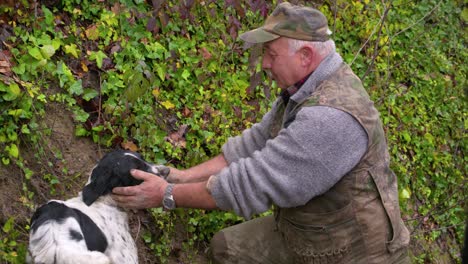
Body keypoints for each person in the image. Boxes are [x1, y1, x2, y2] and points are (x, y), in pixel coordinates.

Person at [112, 2, 410, 263]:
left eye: (270, 53)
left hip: (353, 251)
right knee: (227, 249)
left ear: (305, 56)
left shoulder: (331, 119)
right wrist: (182, 176)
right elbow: (251, 146)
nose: (264, 64)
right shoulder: (303, 90)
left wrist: (165, 194)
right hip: (305, 231)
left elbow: (251, 184)